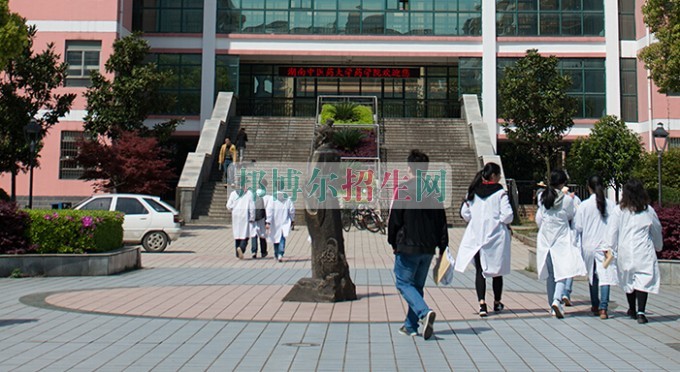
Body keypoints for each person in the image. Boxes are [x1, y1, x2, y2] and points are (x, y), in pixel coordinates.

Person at [388, 149, 448, 340]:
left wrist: (392, 241)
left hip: (408, 245)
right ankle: (410, 325)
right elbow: (442, 221)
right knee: (417, 285)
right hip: (428, 248)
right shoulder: (434, 191)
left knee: (403, 282)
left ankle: (423, 313)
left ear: (410, 168)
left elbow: (395, 219)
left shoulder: (405, 189)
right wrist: (442, 246)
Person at [455, 162, 513, 317]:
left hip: (476, 236)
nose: (500, 178)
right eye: (499, 175)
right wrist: (499, 220)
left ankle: (482, 304)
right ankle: (497, 302)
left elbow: (465, 214)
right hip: (495, 237)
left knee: (480, 271)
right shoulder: (500, 193)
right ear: (493, 176)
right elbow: (508, 215)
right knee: (496, 270)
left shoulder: (473, 192)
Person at [608, 179, 663, 324]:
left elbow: (612, 231)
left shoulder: (619, 210)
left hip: (625, 250)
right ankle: (641, 311)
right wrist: (659, 246)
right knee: (642, 280)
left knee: (628, 279)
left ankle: (632, 308)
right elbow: (657, 230)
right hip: (643, 250)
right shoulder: (648, 210)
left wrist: (610, 248)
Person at [535, 169, 587, 319]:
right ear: (563, 183)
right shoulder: (567, 200)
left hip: (545, 239)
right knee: (563, 273)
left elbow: (540, 218)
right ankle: (557, 300)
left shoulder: (542, 197)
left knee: (551, 275)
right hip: (561, 239)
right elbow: (571, 215)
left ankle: (552, 305)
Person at [573, 175, 619, 319]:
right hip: (605, 247)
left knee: (593, 276)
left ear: (589, 187)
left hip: (589, 246)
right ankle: (603, 308)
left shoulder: (584, 206)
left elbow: (578, 227)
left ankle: (594, 304)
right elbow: (616, 226)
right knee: (605, 276)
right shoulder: (611, 205)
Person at [561, 186, 582, 307]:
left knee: (563, 266)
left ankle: (563, 293)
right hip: (570, 236)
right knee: (569, 265)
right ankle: (566, 292)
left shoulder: (573, 200)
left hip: (564, 236)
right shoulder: (573, 200)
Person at [266, 180, 295, 262]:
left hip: (275, 222)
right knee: (282, 238)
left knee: (275, 238)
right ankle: (280, 254)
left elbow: (269, 211)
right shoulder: (287, 198)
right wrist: (292, 219)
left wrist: (268, 221)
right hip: (284, 221)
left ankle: (276, 253)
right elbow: (292, 210)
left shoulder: (272, 198)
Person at [226, 182, 255, 259]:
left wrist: (234, 208)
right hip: (245, 216)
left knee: (237, 235)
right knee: (245, 235)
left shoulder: (233, 194)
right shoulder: (249, 194)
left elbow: (228, 206)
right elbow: (252, 207)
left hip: (236, 216)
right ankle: (241, 248)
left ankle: (237, 253)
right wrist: (252, 217)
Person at [251, 179, 272, 259]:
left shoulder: (253, 194)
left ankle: (254, 251)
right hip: (262, 216)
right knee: (262, 234)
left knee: (254, 233)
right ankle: (263, 251)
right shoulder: (267, 196)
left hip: (254, 216)